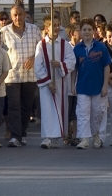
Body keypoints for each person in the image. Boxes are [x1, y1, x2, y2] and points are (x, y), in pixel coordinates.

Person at [1, 4, 42, 147]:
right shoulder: (4, 32)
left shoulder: (34, 30)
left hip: (30, 75)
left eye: (20, 14)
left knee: (26, 107)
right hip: (12, 75)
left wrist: (33, 58)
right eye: (15, 15)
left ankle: (23, 133)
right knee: (13, 106)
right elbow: (0, 53)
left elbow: (42, 50)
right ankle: (15, 136)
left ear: (25, 14)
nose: (18, 17)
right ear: (11, 16)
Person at [34, 15, 76, 149]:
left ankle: (57, 137)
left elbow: (72, 61)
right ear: (47, 28)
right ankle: (47, 137)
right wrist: (48, 82)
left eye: (59, 25)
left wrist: (60, 64)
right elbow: (37, 65)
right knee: (47, 109)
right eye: (54, 25)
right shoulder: (41, 45)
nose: (57, 28)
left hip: (61, 81)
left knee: (60, 107)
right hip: (47, 83)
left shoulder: (65, 44)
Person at [72, 18, 112, 149]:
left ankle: (95, 135)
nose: (87, 32)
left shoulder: (101, 47)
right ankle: (84, 139)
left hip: (98, 87)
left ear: (94, 31)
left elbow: (107, 66)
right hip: (83, 86)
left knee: (97, 113)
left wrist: (105, 85)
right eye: (84, 30)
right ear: (80, 32)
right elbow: (74, 69)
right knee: (83, 113)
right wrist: (73, 84)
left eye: (89, 29)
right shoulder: (77, 49)